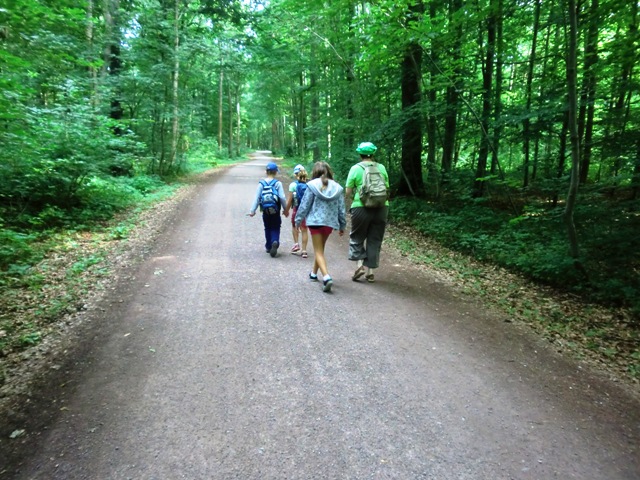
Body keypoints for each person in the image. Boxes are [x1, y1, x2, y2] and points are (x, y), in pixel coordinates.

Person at [295, 161, 346, 293]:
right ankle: (313, 274)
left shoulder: (312, 185)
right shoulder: (338, 188)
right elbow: (341, 209)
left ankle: (326, 277)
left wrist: (298, 220)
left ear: (315, 172)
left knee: (318, 251)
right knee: (320, 249)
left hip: (315, 222)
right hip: (329, 223)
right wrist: (342, 225)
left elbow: (304, 205)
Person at [345, 142, 390, 283]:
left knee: (357, 236)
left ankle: (359, 265)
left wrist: (353, 201)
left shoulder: (355, 168)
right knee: (375, 238)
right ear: (373, 154)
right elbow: (386, 187)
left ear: (360, 154)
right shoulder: (381, 167)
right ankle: (370, 272)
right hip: (381, 207)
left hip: (361, 207)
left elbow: (348, 191)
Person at [248, 162, 288, 257]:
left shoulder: (261, 184)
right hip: (275, 210)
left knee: (267, 227)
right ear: (276, 172)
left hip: (265, 211)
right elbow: (282, 197)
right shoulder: (278, 184)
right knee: (276, 227)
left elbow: (257, 198)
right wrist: (285, 209)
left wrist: (252, 211)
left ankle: (269, 246)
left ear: (266, 172)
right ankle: (275, 241)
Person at [284, 164, 309, 258]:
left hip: (297, 209)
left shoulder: (293, 185)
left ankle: (296, 244)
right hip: (306, 211)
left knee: (295, 226)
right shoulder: (309, 185)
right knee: (304, 230)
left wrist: (286, 210)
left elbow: (290, 200)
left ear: (295, 174)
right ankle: (304, 250)